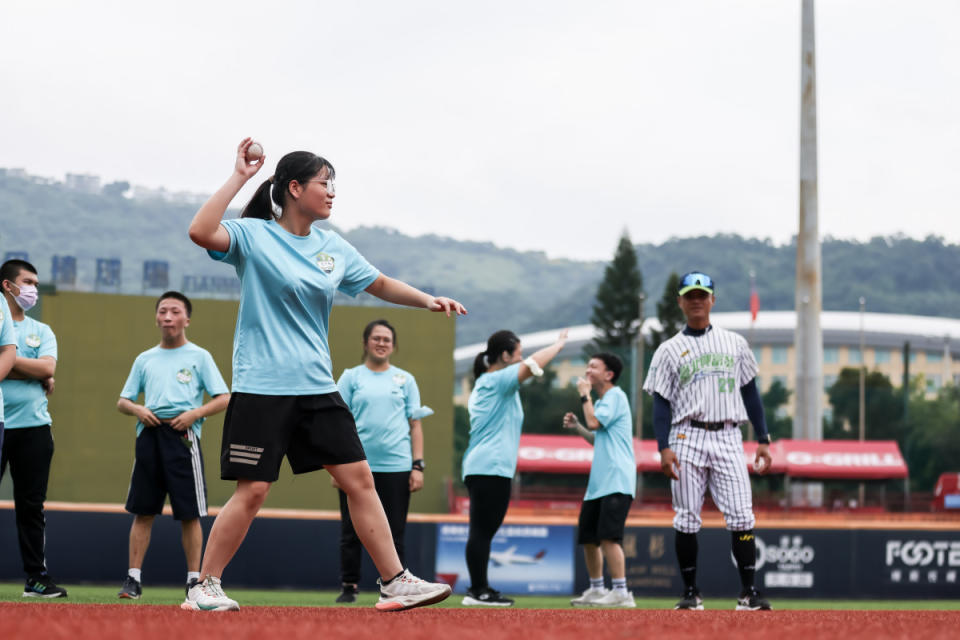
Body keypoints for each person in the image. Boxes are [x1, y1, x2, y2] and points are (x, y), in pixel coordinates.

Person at [183, 138, 463, 612]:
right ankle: (204, 586)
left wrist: (428, 299)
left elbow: (379, 283)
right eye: (324, 183)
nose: (332, 192)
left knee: (360, 480)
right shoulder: (254, 236)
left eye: (334, 184)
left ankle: (394, 582)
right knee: (253, 491)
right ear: (294, 188)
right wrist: (241, 175)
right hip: (263, 387)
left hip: (317, 386)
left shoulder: (332, 247)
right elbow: (200, 230)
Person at [642, 271, 773, 611]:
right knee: (686, 517)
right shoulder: (668, 350)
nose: (697, 300)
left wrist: (763, 437)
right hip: (686, 434)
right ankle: (690, 593)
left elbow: (750, 391)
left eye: (703, 294)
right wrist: (663, 446)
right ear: (681, 302)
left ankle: (748, 593)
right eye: (690, 295)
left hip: (729, 434)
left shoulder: (735, 343)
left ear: (713, 299)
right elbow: (661, 403)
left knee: (742, 516)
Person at [116, 291, 230, 600]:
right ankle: (133, 579)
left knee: (190, 512)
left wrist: (195, 413)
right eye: (163, 311)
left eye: (175, 311)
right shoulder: (145, 358)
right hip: (150, 434)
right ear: (156, 318)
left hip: (183, 437)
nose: (168, 316)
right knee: (143, 510)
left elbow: (223, 397)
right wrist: (139, 409)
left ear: (186, 319)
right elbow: (123, 401)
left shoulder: (199, 356)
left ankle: (194, 581)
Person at [461, 328, 568, 606]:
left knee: (484, 530)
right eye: (517, 355)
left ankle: (480, 588)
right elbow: (533, 366)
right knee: (482, 531)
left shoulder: (496, 384)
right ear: (505, 356)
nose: (521, 360)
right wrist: (558, 345)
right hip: (489, 466)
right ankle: (478, 591)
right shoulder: (495, 381)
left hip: (491, 467)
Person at [333, 319, 433, 603]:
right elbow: (339, 422)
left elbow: (415, 425)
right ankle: (349, 586)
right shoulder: (351, 377)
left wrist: (418, 465)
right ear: (365, 343)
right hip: (355, 465)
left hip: (397, 466)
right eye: (376, 338)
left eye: (386, 339)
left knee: (394, 530)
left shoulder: (405, 380)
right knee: (351, 529)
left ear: (393, 345)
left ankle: (394, 587)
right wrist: (336, 463)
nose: (381, 343)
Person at [0, 260, 67, 598]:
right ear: (7, 286)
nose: (33, 290)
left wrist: (10, 362)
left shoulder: (42, 331)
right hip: (1, 424)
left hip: (34, 429)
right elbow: (40, 370)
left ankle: (36, 580)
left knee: (31, 507)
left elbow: (48, 367)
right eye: (27, 282)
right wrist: (36, 372)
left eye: (36, 284)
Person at [563, 353, 636, 608]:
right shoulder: (607, 400)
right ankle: (596, 589)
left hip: (616, 478)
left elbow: (593, 421)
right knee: (589, 538)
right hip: (599, 484)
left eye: (594, 366)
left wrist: (585, 396)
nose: (587, 369)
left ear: (609, 374)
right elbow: (597, 436)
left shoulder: (615, 396)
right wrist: (578, 428)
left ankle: (621, 592)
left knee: (608, 537)